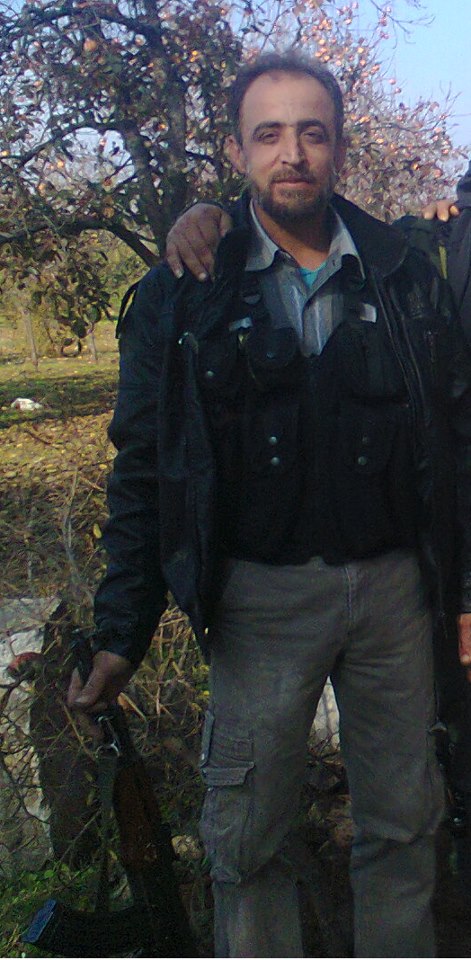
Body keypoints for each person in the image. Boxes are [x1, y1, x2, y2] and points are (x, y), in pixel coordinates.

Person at [68, 52, 471, 958]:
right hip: (257, 604)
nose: (293, 153)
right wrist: (120, 630)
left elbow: (455, 442)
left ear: (340, 148)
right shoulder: (185, 290)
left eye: (312, 133)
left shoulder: (404, 273)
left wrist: (462, 590)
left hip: (394, 598)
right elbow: (146, 467)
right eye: (269, 134)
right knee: (246, 841)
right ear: (236, 150)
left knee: (405, 828)